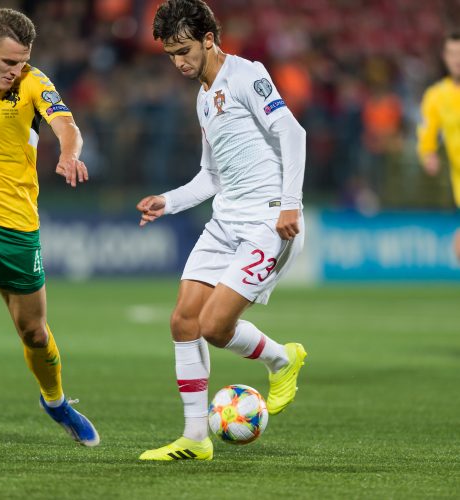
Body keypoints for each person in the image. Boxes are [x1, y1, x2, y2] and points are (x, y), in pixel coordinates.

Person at [136, 0, 307, 461]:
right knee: (183, 321)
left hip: (268, 221)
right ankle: (195, 437)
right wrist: (167, 202)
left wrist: (289, 204)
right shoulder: (203, 97)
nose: (179, 62)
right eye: (171, 54)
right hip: (224, 221)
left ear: (209, 39)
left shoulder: (246, 74)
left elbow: (293, 133)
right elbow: (210, 176)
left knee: (214, 325)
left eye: (185, 50)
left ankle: (281, 358)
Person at [0, 8, 99, 446]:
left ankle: (55, 402)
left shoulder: (34, 83)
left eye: (22, 62)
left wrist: (68, 153)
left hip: (15, 226)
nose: (15, 71)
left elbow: (66, 125)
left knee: (34, 332)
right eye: (7, 63)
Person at [417, 31, 460, 259]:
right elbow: (427, 130)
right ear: (444, 57)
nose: (457, 58)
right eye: (452, 53)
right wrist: (428, 154)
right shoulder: (436, 96)